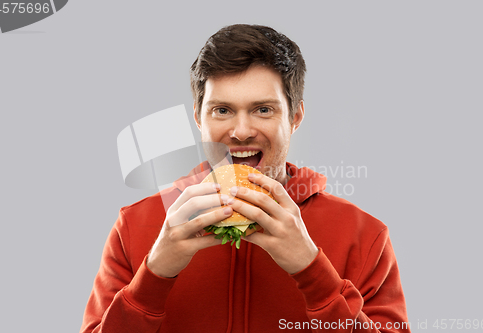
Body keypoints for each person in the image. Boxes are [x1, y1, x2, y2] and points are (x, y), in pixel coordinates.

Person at [80, 24, 411, 332]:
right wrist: (153, 276)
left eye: (263, 109)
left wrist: (313, 271)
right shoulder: (134, 225)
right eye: (222, 110)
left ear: (295, 117)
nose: (240, 132)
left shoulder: (366, 236)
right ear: (198, 117)